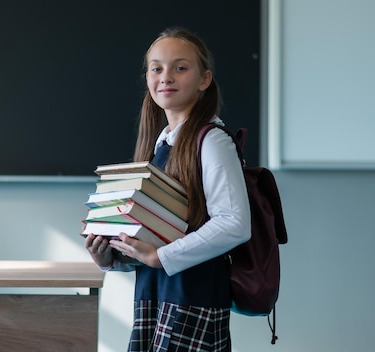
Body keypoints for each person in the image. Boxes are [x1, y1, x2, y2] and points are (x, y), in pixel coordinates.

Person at [84, 27, 251, 352]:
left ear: (204, 79)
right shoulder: (161, 141)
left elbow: (234, 223)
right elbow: (158, 234)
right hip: (155, 295)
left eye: (180, 67)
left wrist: (161, 256)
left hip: (191, 299)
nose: (166, 76)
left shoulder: (212, 139)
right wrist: (112, 257)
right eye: (156, 68)